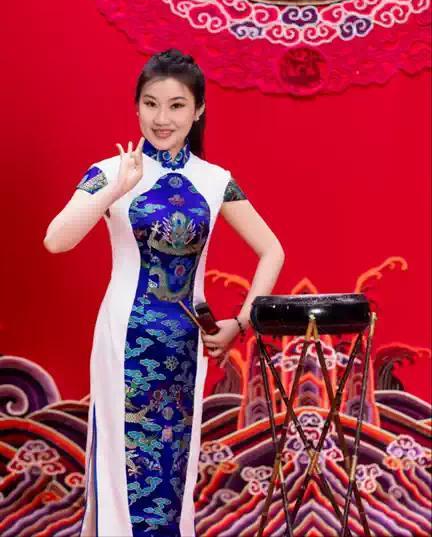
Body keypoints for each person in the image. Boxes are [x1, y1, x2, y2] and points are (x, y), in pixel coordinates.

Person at [43, 49, 285, 537]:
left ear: (198, 110)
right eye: (151, 104)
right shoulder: (110, 172)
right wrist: (117, 189)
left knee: (176, 466)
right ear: (136, 106)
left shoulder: (215, 181)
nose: (161, 118)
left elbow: (272, 251)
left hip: (184, 346)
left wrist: (239, 324)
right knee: (120, 461)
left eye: (176, 106)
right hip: (124, 338)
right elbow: (56, 240)